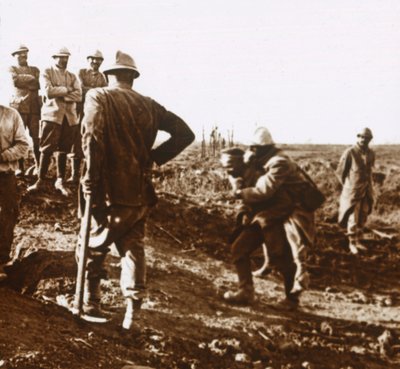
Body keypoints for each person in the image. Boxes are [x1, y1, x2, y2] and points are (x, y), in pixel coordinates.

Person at [77, 50, 195, 330]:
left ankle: (90, 302)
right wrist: (153, 157)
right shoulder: (150, 105)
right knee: (133, 249)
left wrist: (91, 179)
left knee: (92, 245)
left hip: (106, 190)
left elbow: (91, 137)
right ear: (133, 78)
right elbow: (185, 134)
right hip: (139, 191)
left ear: (108, 76)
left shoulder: (98, 96)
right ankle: (132, 313)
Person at [222, 127, 316, 305]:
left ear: (261, 148)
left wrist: (239, 193)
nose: (250, 151)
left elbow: (263, 191)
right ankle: (246, 291)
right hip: (268, 213)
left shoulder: (278, 162)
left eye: (254, 148)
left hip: (288, 212)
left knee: (283, 257)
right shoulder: (259, 161)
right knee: (239, 248)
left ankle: (291, 299)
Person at [27, 47, 82, 196]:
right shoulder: (47, 72)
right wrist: (67, 90)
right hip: (52, 116)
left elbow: (78, 96)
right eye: (61, 57)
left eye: (66, 57)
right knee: (46, 148)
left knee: (63, 150)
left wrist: (62, 93)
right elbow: (48, 92)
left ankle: (60, 180)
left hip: (69, 118)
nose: (64, 60)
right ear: (55, 57)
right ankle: (40, 180)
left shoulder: (72, 76)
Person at [0, 105, 30, 281]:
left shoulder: (11, 115)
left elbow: (23, 145)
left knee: (8, 214)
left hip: (4, 175)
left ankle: (0, 261)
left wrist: (3, 156)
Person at [68, 50, 107, 183]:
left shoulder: (102, 77)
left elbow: (104, 93)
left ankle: (87, 174)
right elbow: (79, 89)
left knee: (91, 140)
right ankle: (74, 174)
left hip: (94, 112)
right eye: (93, 59)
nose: (95, 62)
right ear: (88, 59)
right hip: (79, 110)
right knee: (76, 141)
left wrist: (90, 91)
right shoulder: (81, 73)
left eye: (99, 60)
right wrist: (94, 91)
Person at [337, 127, 375, 255]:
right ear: (358, 137)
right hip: (352, 191)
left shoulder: (371, 153)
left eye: (367, 138)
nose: (364, 140)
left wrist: (370, 187)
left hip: (366, 190)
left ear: (370, 140)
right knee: (353, 217)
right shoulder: (350, 152)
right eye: (362, 137)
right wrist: (348, 186)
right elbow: (340, 172)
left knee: (363, 216)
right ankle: (352, 242)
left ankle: (358, 240)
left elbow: (369, 171)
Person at [8, 44, 41, 177]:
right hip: (19, 108)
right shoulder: (12, 69)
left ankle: (39, 166)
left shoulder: (35, 69)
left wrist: (27, 80)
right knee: (18, 137)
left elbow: (37, 84)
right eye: (19, 53)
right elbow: (16, 82)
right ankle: (19, 167)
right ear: (14, 55)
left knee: (36, 138)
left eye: (25, 53)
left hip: (34, 108)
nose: (23, 55)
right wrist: (30, 79)